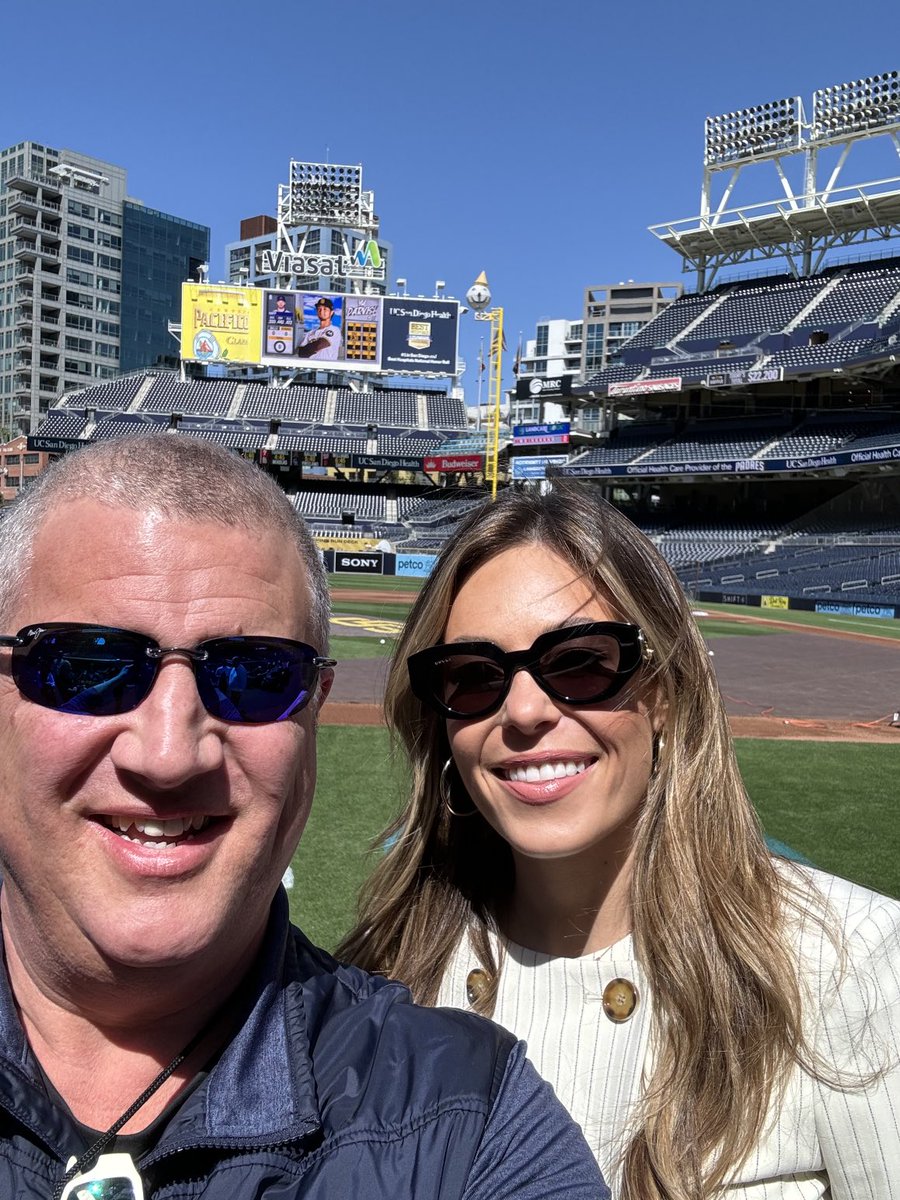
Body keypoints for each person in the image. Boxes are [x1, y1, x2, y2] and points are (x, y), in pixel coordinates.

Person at [0, 437, 607, 1200]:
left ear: (314, 710)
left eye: (254, 676)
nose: (167, 753)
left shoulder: (471, 1122)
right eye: (87, 666)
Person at [340, 482, 900, 1199]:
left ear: (663, 690)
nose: (523, 712)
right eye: (473, 677)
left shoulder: (857, 965)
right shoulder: (384, 974)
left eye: (580, 662)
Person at [295, 296, 342, 360]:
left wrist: (309, 348)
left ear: (331, 313)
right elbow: (300, 353)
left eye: (325, 309)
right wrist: (312, 347)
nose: (321, 311)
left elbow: (319, 345)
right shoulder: (310, 333)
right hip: (310, 367)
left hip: (327, 367)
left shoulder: (334, 330)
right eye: (319, 309)